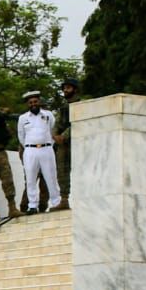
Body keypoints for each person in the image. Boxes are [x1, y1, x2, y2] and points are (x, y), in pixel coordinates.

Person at [16, 90, 61, 215]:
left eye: (35, 101)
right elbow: (21, 136)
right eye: (30, 102)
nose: (33, 104)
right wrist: (29, 146)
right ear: (27, 104)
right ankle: (32, 205)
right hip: (30, 150)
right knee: (30, 178)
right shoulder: (23, 118)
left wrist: (48, 144)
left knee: (50, 176)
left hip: (46, 149)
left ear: (39, 102)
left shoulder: (48, 115)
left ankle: (56, 202)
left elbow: (53, 129)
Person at [54, 78, 79, 211]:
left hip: (77, 143)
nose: (65, 90)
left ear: (75, 89)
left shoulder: (80, 105)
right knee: (62, 172)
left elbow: (76, 123)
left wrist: (64, 136)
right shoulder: (63, 107)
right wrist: (56, 135)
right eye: (64, 88)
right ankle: (64, 199)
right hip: (63, 145)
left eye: (68, 88)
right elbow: (57, 124)